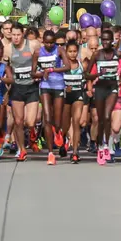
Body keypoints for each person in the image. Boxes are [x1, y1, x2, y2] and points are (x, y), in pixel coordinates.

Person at [86, 29, 121, 165]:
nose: (105, 42)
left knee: (107, 116)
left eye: (108, 40)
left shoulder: (118, 54)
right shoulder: (97, 55)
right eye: (103, 40)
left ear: (112, 41)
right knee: (100, 119)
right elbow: (86, 74)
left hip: (112, 88)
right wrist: (97, 76)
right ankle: (100, 145)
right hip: (100, 88)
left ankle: (108, 147)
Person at [32, 30, 71, 165]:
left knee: (57, 121)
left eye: (51, 43)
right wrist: (42, 73)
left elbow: (67, 66)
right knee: (47, 118)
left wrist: (53, 70)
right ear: (43, 41)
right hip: (45, 85)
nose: (49, 45)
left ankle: (59, 133)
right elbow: (32, 73)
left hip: (58, 86)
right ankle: (50, 153)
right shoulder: (38, 52)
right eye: (47, 43)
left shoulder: (60, 50)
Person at [4, 22, 40, 161]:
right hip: (17, 88)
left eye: (18, 35)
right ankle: (22, 149)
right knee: (18, 121)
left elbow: (41, 59)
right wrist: (7, 89)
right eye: (13, 35)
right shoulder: (7, 49)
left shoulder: (33, 45)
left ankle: (30, 136)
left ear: (23, 34)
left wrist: (38, 73)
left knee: (30, 122)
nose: (16, 38)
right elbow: (6, 69)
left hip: (31, 87)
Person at [62, 40, 84, 163]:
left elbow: (86, 79)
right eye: (70, 51)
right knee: (65, 125)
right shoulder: (62, 65)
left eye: (75, 51)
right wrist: (65, 88)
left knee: (76, 122)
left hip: (78, 96)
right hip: (65, 97)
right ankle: (63, 141)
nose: (72, 54)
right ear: (66, 52)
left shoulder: (81, 64)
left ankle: (75, 152)